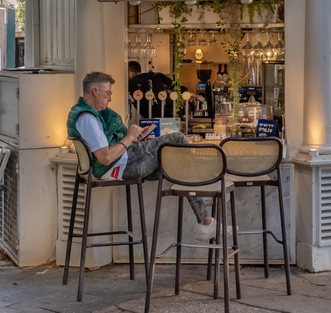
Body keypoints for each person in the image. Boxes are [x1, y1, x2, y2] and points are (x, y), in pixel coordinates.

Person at [67, 71, 218, 240]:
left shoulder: (80, 112)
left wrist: (133, 139)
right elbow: (106, 158)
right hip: (120, 166)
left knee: (179, 166)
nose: (109, 99)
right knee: (178, 138)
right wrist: (129, 137)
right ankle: (207, 206)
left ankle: (206, 217)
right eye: (107, 93)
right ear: (95, 91)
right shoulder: (88, 118)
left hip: (122, 163)